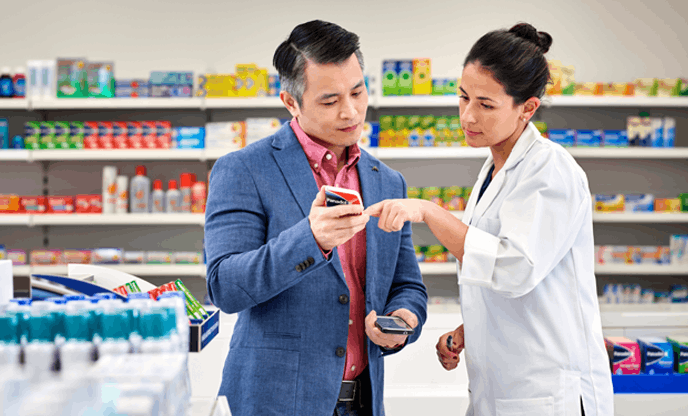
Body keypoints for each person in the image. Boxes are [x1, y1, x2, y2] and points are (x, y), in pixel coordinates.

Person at [362, 23, 613, 416]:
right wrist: (471, 332)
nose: (467, 116)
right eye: (463, 98)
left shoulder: (550, 170)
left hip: (548, 393)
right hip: (501, 388)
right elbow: (509, 278)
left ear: (527, 108)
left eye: (486, 104)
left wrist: (428, 210)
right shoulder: (495, 168)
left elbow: (514, 268)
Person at [204, 20, 428, 416]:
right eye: (329, 101)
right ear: (291, 102)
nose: (351, 111)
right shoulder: (243, 169)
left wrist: (404, 318)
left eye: (358, 92)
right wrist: (311, 239)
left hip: (363, 401)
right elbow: (225, 286)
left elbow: (407, 284)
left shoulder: (388, 181)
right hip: (273, 403)